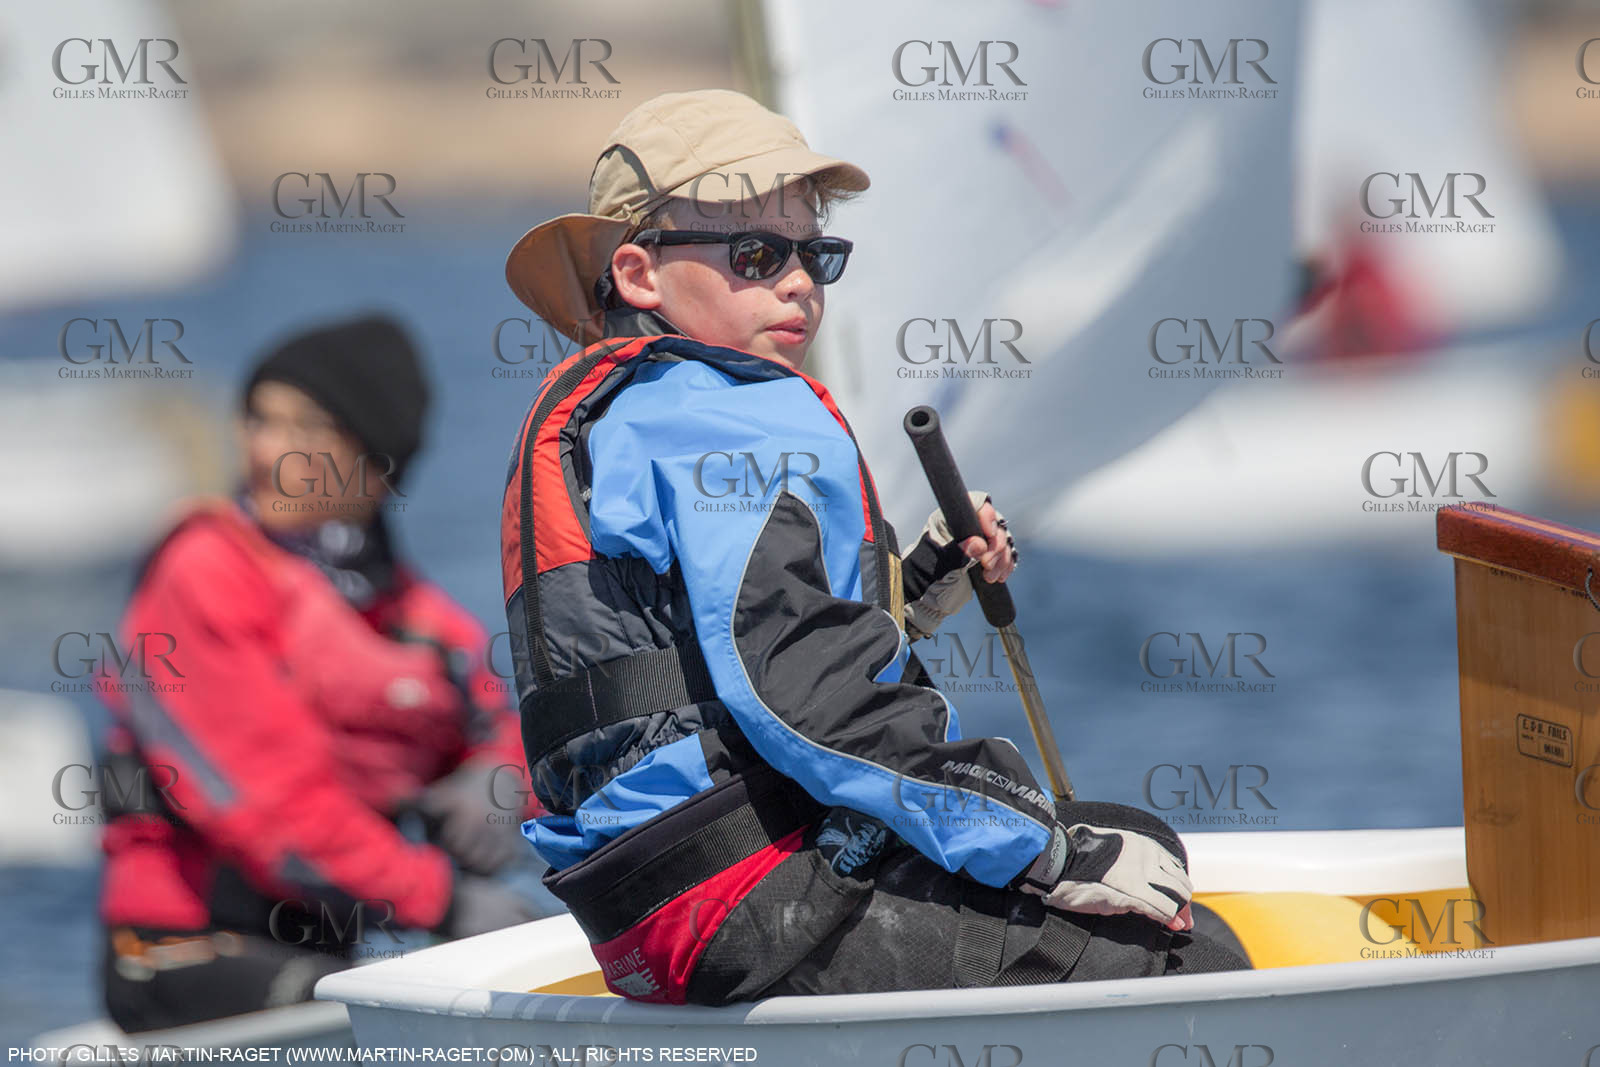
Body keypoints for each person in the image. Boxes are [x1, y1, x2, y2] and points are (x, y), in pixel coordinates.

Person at [498, 90, 1248, 1005]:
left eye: (816, 253)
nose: (799, 282)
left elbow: (728, 661)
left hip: (651, 911)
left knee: (1126, 844)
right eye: (758, 254)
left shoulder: (624, 415)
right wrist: (1047, 846)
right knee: (1188, 949)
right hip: (752, 894)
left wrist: (921, 580)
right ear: (640, 275)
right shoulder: (732, 418)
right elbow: (809, 704)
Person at [96, 314, 543, 1032]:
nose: (267, 451)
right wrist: (442, 899)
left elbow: (507, 727)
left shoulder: (420, 619)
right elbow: (275, 810)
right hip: (184, 957)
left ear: (376, 463)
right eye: (258, 419)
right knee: (419, 1018)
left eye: (307, 430)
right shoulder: (203, 569)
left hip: (327, 953)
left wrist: (498, 782)